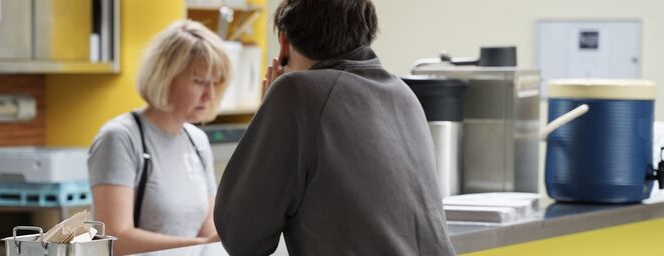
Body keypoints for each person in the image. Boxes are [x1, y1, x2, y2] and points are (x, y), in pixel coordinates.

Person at [214, 0, 457, 255]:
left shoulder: (296, 91)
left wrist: (268, 111)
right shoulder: (404, 95)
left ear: (284, 45)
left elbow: (241, 236)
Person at [87, 20, 230, 256]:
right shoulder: (120, 138)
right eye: (199, 82)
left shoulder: (197, 141)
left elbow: (209, 232)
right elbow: (115, 239)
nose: (210, 95)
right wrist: (201, 245)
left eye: (215, 83)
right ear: (165, 76)